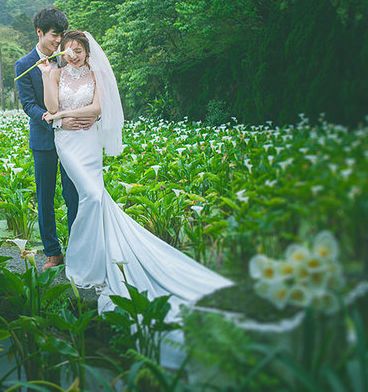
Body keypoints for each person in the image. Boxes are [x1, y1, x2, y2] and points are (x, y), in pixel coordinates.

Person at [38, 30, 233, 364]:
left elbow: (98, 109)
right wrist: (47, 83)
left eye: (79, 50)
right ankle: (82, 263)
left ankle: (88, 260)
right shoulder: (53, 72)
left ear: (87, 53)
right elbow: (50, 105)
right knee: (93, 197)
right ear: (63, 52)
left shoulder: (96, 73)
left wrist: (62, 117)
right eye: (68, 50)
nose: (73, 54)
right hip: (67, 143)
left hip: (88, 141)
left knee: (95, 197)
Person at [14, 8, 97, 271]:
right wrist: (57, 119)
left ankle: (76, 249)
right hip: (44, 141)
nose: (58, 42)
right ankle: (52, 252)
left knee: (73, 195)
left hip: (74, 140)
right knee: (45, 197)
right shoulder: (23, 65)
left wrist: (93, 117)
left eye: (61, 36)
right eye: (54, 36)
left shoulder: (67, 59)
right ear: (39, 32)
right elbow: (29, 106)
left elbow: (90, 91)